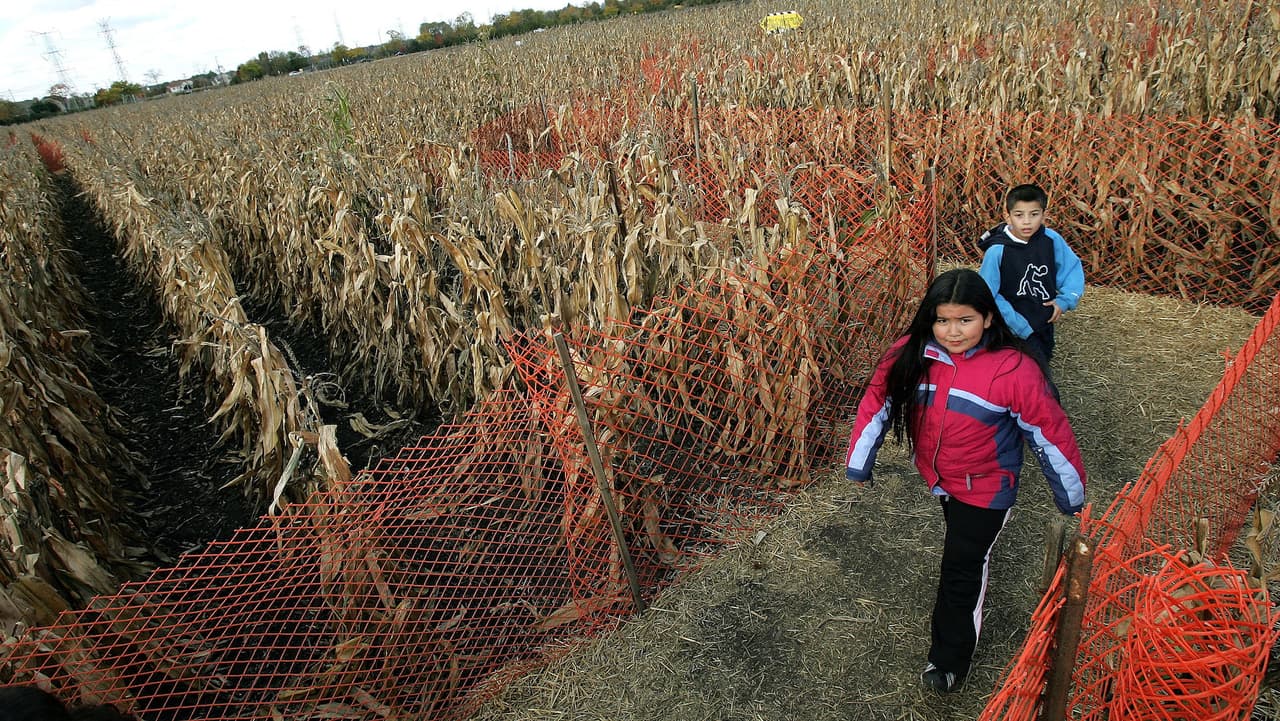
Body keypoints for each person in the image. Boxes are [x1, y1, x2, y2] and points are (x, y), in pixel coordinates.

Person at [845, 268, 1086, 694]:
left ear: (989, 318)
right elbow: (877, 402)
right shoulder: (911, 353)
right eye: (942, 320)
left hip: (988, 487)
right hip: (941, 478)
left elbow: (1051, 434)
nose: (952, 332)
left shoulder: (1014, 370)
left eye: (965, 320)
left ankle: (948, 660)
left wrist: (1071, 497)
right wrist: (860, 462)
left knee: (962, 567)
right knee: (959, 546)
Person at [977, 184, 1084, 366]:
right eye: (1019, 215)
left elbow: (1071, 269)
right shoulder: (997, 251)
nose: (1027, 222)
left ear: (1044, 214)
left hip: (1043, 320)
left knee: (1043, 360)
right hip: (1011, 326)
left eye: (1034, 214)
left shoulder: (1051, 240)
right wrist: (1016, 323)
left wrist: (1065, 300)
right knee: (1028, 371)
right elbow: (987, 293)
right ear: (1007, 215)